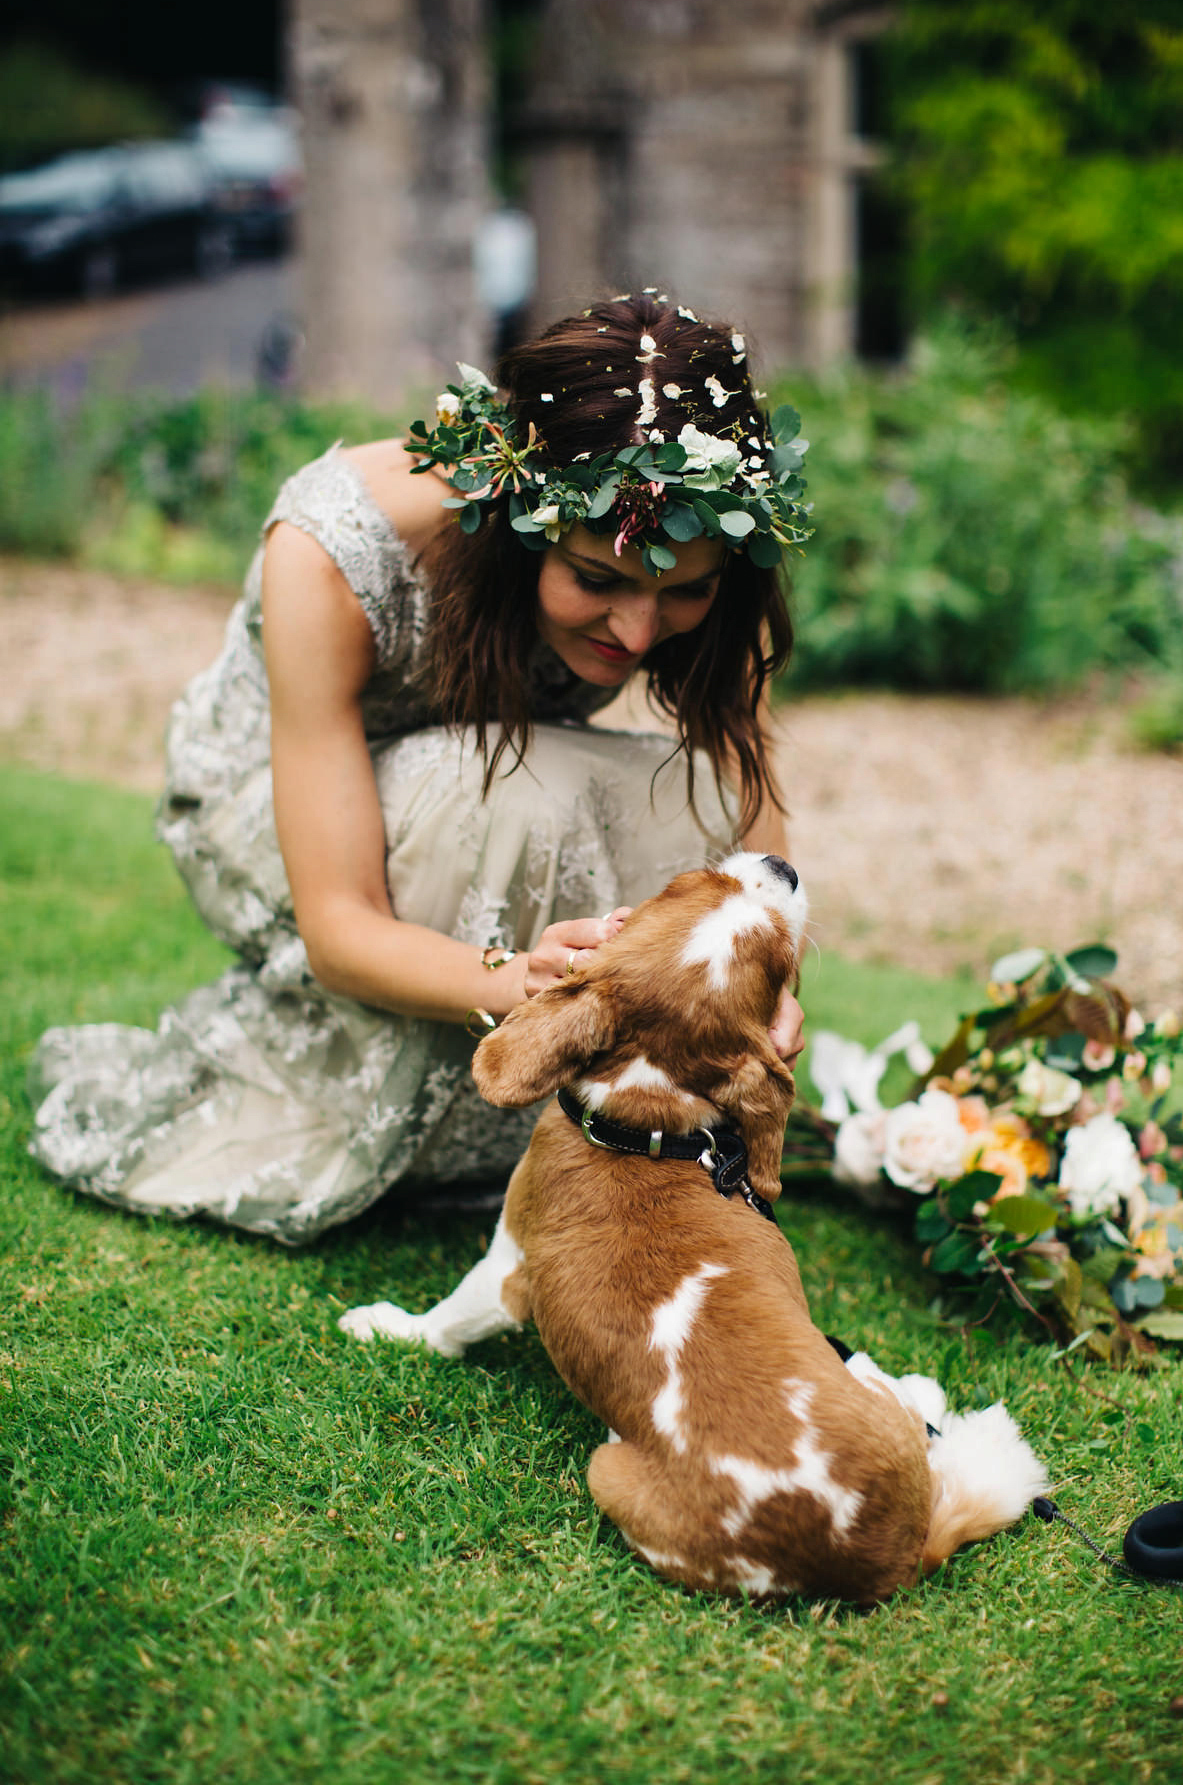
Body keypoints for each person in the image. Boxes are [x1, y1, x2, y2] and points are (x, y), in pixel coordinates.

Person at [28, 290, 810, 1245]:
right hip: (271, 823)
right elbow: (338, 928)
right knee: (525, 789)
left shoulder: (707, 538)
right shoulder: (333, 548)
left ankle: (618, 1103)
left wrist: (775, 991)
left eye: (683, 592)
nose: (638, 631)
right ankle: (465, 1120)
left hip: (479, 780)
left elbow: (751, 813)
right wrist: (524, 981)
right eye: (597, 581)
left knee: (678, 793)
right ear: (515, 519)